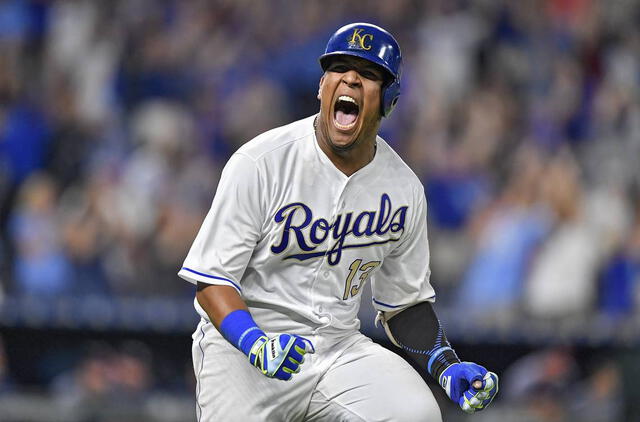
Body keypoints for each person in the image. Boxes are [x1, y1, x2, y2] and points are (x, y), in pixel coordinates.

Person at [179, 22, 498, 421]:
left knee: (415, 413)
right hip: (244, 347)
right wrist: (255, 342)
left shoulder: (403, 188)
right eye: (338, 68)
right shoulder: (261, 162)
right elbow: (211, 281)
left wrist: (446, 365)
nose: (349, 78)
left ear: (388, 99)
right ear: (321, 87)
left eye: (367, 74)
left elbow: (404, 305)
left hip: (336, 349)